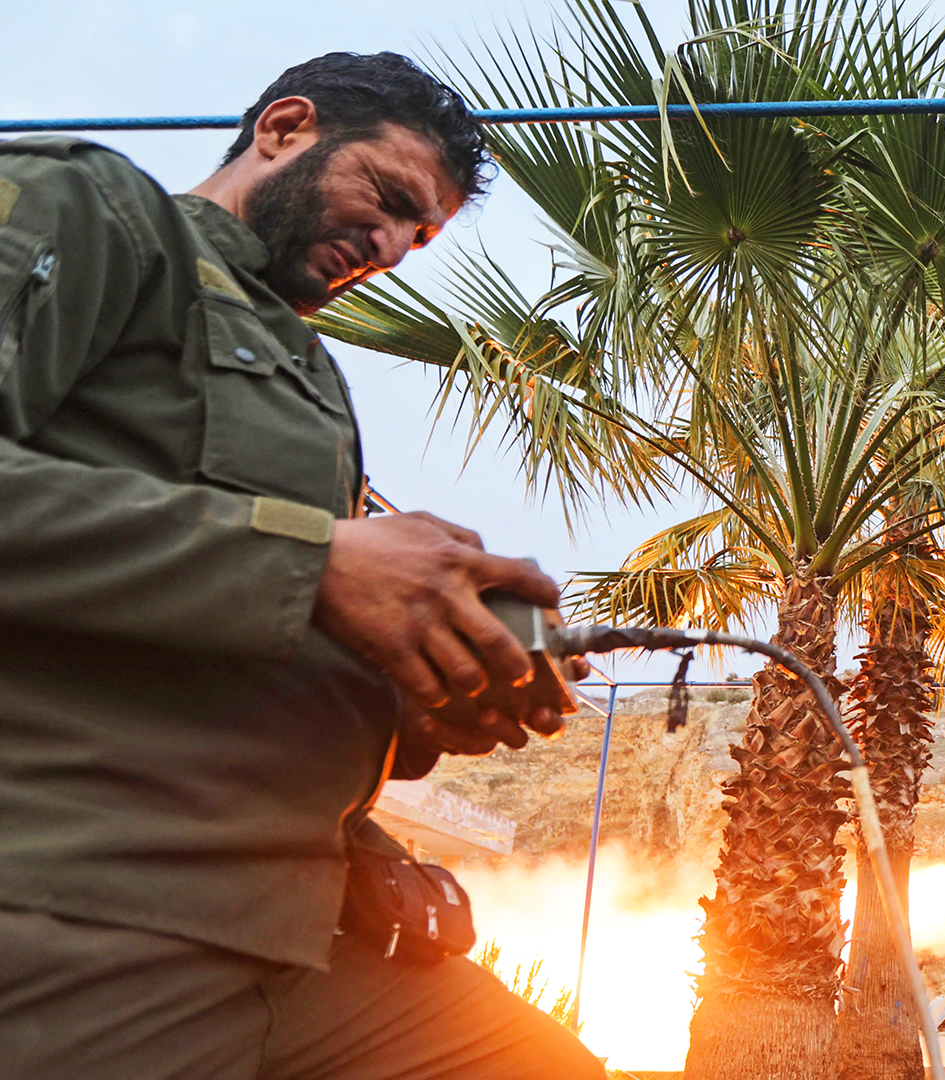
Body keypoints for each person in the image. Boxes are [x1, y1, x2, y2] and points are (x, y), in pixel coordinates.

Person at [0, 53, 606, 1079]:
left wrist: (424, 690)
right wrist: (317, 563)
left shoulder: (305, 372)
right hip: (88, 910)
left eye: (420, 237)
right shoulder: (89, 208)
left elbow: (244, 633)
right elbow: (285, 575)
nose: (392, 247)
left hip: (310, 933)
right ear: (285, 128)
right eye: (388, 198)